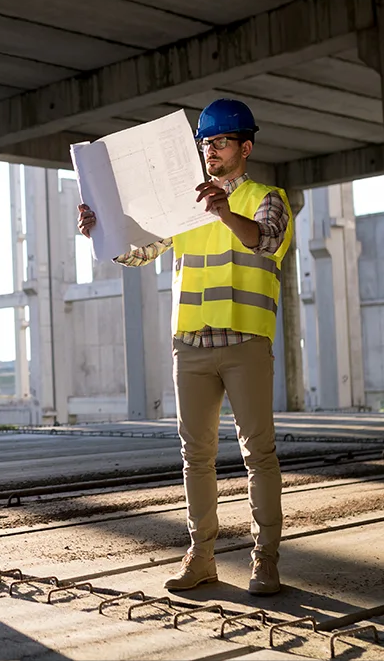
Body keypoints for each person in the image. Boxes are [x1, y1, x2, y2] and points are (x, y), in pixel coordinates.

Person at [77, 98, 294, 596]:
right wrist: (101, 230)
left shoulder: (268, 196)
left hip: (244, 342)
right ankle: (201, 557)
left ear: (245, 146)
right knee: (194, 457)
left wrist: (222, 211)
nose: (210, 152)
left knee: (258, 455)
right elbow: (139, 251)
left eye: (219, 142)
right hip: (191, 344)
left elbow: (264, 239)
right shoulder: (185, 203)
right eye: (205, 144)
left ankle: (266, 560)